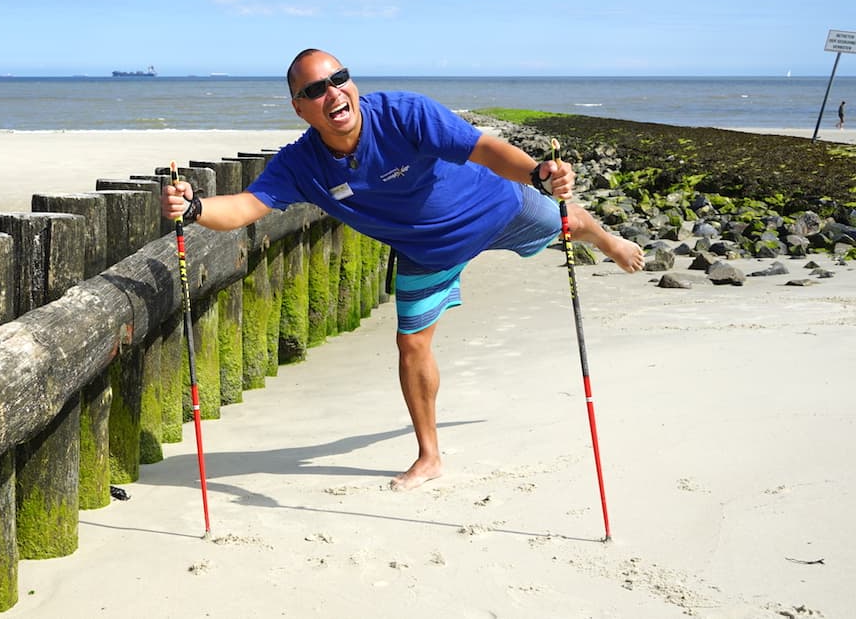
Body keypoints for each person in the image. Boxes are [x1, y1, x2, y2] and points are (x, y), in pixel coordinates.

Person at [161, 49, 644, 491]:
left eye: (338, 79)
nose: (331, 93)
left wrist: (538, 172)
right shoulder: (300, 165)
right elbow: (244, 207)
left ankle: (609, 240)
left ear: (351, 83)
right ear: (299, 108)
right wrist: (194, 207)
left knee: (569, 222)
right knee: (411, 344)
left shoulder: (404, 113)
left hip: (492, 207)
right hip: (425, 251)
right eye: (314, 90)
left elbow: (485, 149)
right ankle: (429, 456)